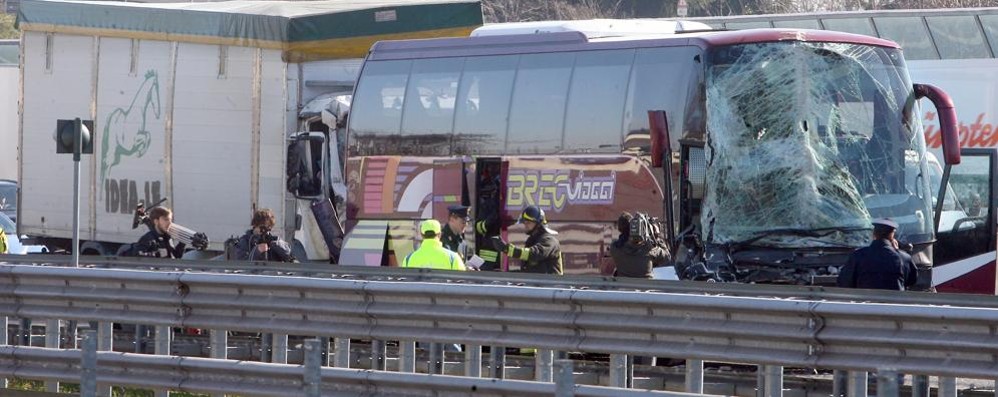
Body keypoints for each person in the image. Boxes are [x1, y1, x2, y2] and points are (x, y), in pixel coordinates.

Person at [837, 218, 918, 290]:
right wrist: (897, 252)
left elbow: (844, 282)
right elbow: (911, 281)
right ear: (892, 234)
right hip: (894, 304)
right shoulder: (904, 258)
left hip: (864, 304)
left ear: (874, 233)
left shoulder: (857, 256)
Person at [492, 205, 563, 275]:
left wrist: (508, 249)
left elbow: (534, 254)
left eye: (528, 222)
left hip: (551, 285)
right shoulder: (531, 241)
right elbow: (528, 271)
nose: (525, 225)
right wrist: (505, 274)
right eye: (524, 222)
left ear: (538, 224)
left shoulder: (550, 240)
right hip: (538, 284)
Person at [610, 212, 671, 278]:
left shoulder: (615, 248)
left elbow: (622, 242)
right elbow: (667, 257)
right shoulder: (649, 249)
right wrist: (656, 237)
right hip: (646, 288)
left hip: (624, 287)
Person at [402, 219, 466, 271]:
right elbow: (462, 282)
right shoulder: (453, 258)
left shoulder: (408, 259)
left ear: (422, 235)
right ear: (439, 235)